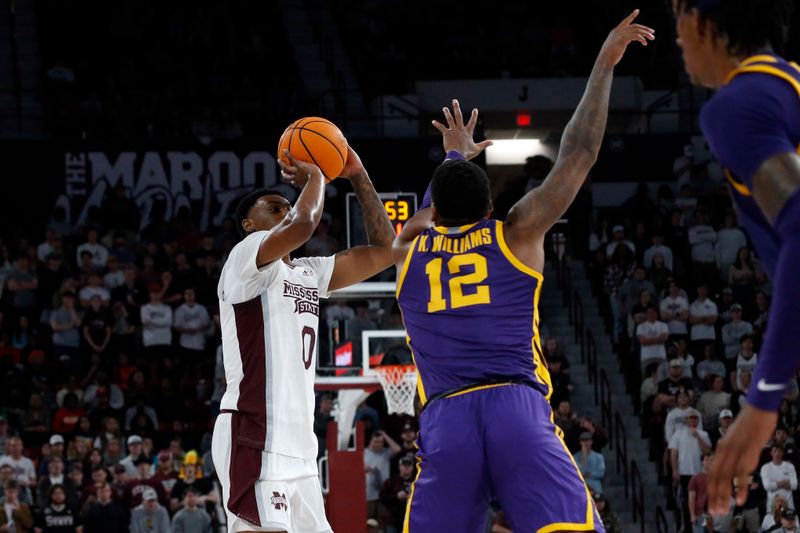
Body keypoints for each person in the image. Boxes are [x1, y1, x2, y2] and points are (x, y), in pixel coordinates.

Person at [393, 14, 653, 531]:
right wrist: (604, 60)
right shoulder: (516, 232)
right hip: (517, 410)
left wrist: (453, 154)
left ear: (433, 211)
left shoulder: (408, 246)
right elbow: (579, 152)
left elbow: (439, 203)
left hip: (447, 420)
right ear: (490, 205)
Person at [210, 137, 395, 533]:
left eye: (287, 205)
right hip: (253, 433)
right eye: (274, 208)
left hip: (300, 449)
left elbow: (385, 250)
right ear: (249, 225)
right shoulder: (246, 258)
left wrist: (358, 175)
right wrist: (316, 175)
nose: (286, 210)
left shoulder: (309, 272)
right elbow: (304, 222)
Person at [671, 0, 800, 514]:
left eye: (678, 23)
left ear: (704, 22)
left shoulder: (738, 103)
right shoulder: (788, 84)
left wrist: (763, 398)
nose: (677, 43)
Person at [669, 410, 711, 532]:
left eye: (695, 418)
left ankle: (701, 528)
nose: (692, 420)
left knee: (701, 502)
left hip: (699, 473)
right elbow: (673, 453)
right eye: (690, 418)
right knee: (685, 502)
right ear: (686, 420)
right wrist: (674, 470)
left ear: (698, 420)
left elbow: (708, 452)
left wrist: (697, 436)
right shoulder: (678, 433)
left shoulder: (703, 434)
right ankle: (687, 528)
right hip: (684, 473)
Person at [379, 453, 416, 533]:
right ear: (399, 467)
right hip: (393, 520)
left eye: (409, 465)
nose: (406, 467)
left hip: (412, 520)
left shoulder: (417, 482)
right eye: (404, 465)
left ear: (413, 467)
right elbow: (382, 498)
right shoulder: (391, 481)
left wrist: (412, 498)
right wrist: (396, 496)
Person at [761, 444, 797, 511]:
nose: (777, 454)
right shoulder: (765, 468)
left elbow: (794, 486)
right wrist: (783, 482)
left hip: (789, 505)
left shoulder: (790, 466)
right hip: (772, 506)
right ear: (771, 453)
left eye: (779, 451)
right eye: (775, 451)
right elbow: (767, 486)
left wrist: (775, 484)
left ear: (783, 453)